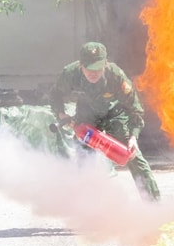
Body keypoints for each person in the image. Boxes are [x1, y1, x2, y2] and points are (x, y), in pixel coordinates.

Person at [48, 41, 161, 201]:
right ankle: (87, 208)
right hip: (87, 116)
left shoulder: (116, 75)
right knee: (83, 159)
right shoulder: (70, 73)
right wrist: (61, 113)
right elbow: (55, 95)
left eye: (98, 68)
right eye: (89, 69)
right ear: (81, 65)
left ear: (105, 64)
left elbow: (135, 108)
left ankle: (153, 207)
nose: (93, 73)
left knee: (133, 156)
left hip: (115, 114)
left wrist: (133, 137)